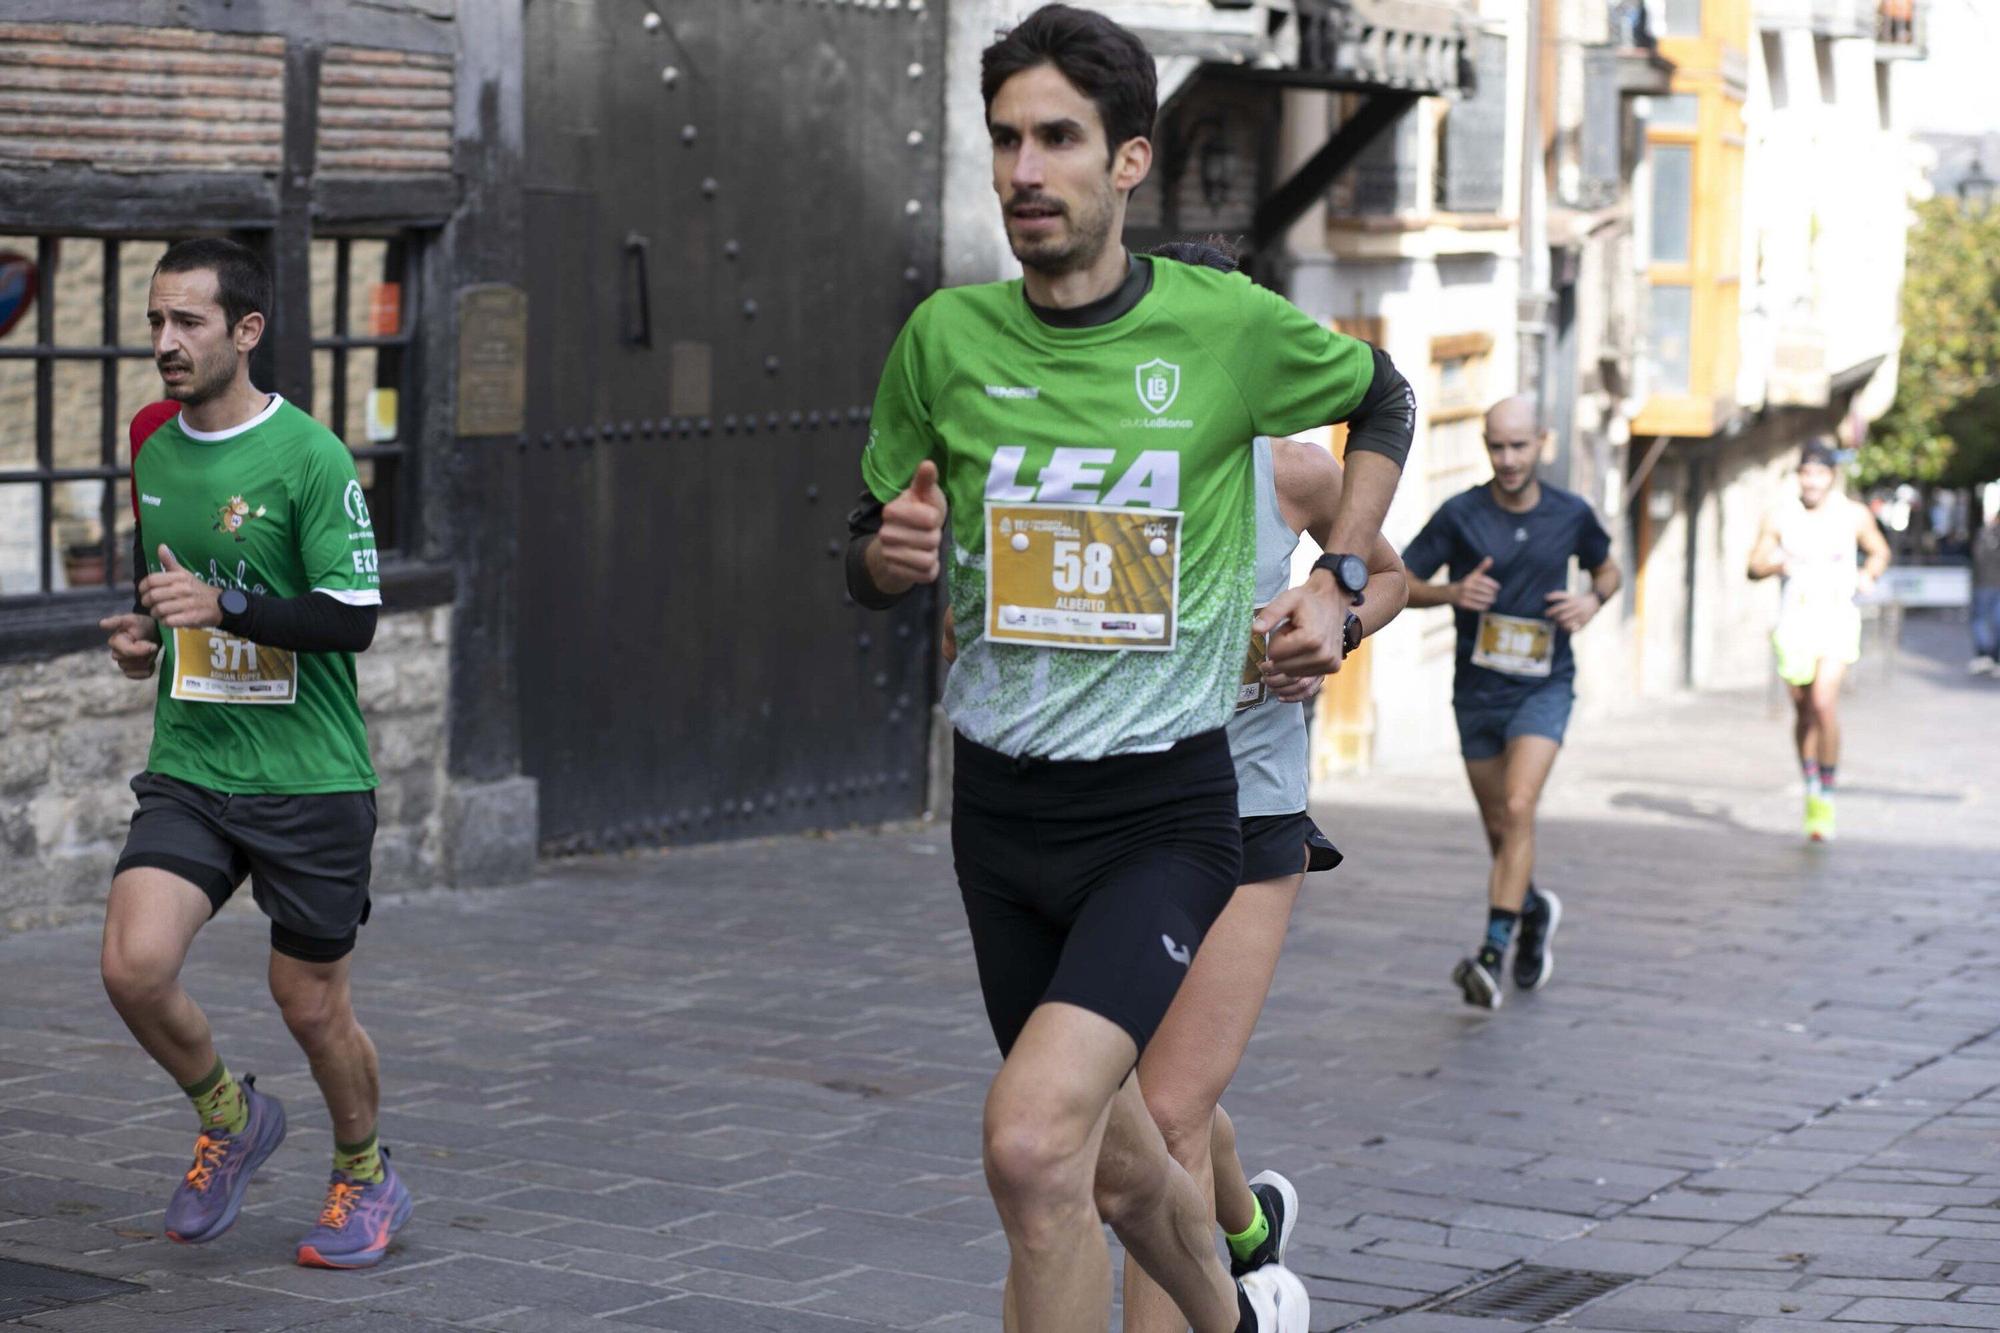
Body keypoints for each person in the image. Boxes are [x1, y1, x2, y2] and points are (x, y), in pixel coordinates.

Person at [845, 8, 1415, 1328]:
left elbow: (1382, 394)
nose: (1024, 170)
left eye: (1057, 138)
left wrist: (1336, 583)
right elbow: (865, 547)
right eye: (1005, 140)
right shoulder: (943, 337)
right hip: (1000, 812)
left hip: (1163, 809)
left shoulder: (1224, 328)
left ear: (1128, 161)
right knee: (1103, 1159)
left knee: (1035, 1140)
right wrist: (885, 556)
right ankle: (1238, 1316)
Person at [96, 238, 410, 1269]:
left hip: (309, 776)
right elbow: (164, 586)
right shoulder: (150, 440)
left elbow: (352, 619)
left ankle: (365, 1172)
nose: (165, 341)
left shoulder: (311, 457)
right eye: (155, 320)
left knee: (310, 1005)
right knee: (134, 967)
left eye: (187, 321)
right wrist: (145, 639)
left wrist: (224, 605)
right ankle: (230, 1116)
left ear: (246, 330)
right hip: (193, 762)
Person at [1119, 239, 1410, 1330]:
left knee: (1165, 1111)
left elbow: (1386, 576)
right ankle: (1247, 1230)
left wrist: (1333, 621)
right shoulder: (1100, 459)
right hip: (1113, 810)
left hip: (1248, 806)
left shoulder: (1293, 470)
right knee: (1124, 1102)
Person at [1402, 396, 1620, 1010]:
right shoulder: (1460, 513)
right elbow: (1400, 580)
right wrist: (1452, 592)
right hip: (1476, 693)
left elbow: (1608, 571)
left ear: (1541, 443)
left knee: (1520, 805)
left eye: (1519, 446)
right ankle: (1534, 909)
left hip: (1543, 688)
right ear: (1485, 445)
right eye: (1497, 447)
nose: (1508, 459)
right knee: (1500, 828)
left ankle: (1492, 954)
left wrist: (1591, 602)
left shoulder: (1571, 514)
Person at [1747, 439, 1892, 841]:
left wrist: (1869, 574)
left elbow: (1879, 552)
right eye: (1806, 473)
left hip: (1836, 619)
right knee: (1804, 712)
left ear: (1832, 476)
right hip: (1794, 622)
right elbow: (1753, 566)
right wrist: (1776, 565)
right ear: (1798, 476)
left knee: (1824, 703)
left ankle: (1826, 792)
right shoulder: (1780, 516)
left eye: (1820, 473)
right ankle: (1811, 782)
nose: (1812, 481)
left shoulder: (1853, 515)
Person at [1969, 495, 1999, 676]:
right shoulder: (1986, 534)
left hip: (1984, 583)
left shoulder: (1985, 534)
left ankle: (1986, 655)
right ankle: (1993, 657)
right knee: (1994, 621)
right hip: (1987, 583)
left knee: (1982, 620)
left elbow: (1977, 557)